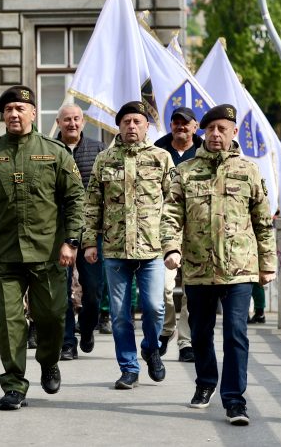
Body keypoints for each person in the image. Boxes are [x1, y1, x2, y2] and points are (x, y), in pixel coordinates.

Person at [0, 85, 84, 410]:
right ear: (2, 115)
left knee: (53, 317)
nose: (14, 114)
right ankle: (14, 385)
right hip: (5, 256)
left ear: (33, 113)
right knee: (9, 322)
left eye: (20, 108)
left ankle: (49, 361)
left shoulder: (55, 153)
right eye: (8, 109)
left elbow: (75, 199)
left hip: (48, 253)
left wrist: (71, 241)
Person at [161, 103, 276, 426]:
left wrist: (267, 264)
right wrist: (171, 247)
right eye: (210, 129)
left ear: (233, 132)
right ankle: (205, 383)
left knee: (236, 332)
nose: (215, 135)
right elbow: (170, 215)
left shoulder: (248, 170)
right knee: (200, 332)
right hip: (198, 267)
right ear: (203, 132)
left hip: (240, 268)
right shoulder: (186, 172)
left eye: (221, 129)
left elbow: (263, 221)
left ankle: (234, 400)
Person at [83, 100, 173, 390]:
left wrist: (173, 245)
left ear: (147, 126)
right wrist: (89, 242)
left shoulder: (161, 158)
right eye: (126, 122)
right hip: (114, 248)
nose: (131, 126)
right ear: (118, 126)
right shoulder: (105, 159)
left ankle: (151, 347)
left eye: (137, 122)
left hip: (152, 248)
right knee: (120, 315)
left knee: (155, 307)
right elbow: (92, 203)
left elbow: (173, 205)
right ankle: (129, 368)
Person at [55, 104, 107, 361]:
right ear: (58, 122)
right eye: (67, 120)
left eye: (76, 119)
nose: (72, 124)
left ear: (83, 122)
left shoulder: (99, 150)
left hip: (91, 235)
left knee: (94, 290)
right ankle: (67, 342)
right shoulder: (49, 150)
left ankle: (86, 329)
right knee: (61, 291)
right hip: (59, 233)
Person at [154, 106, 201, 363]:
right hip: (165, 229)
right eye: (176, 122)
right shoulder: (157, 151)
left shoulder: (205, 152)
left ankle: (186, 342)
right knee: (164, 287)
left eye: (185, 123)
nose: (180, 127)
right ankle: (167, 328)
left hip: (196, 230)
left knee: (192, 291)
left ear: (195, 127)